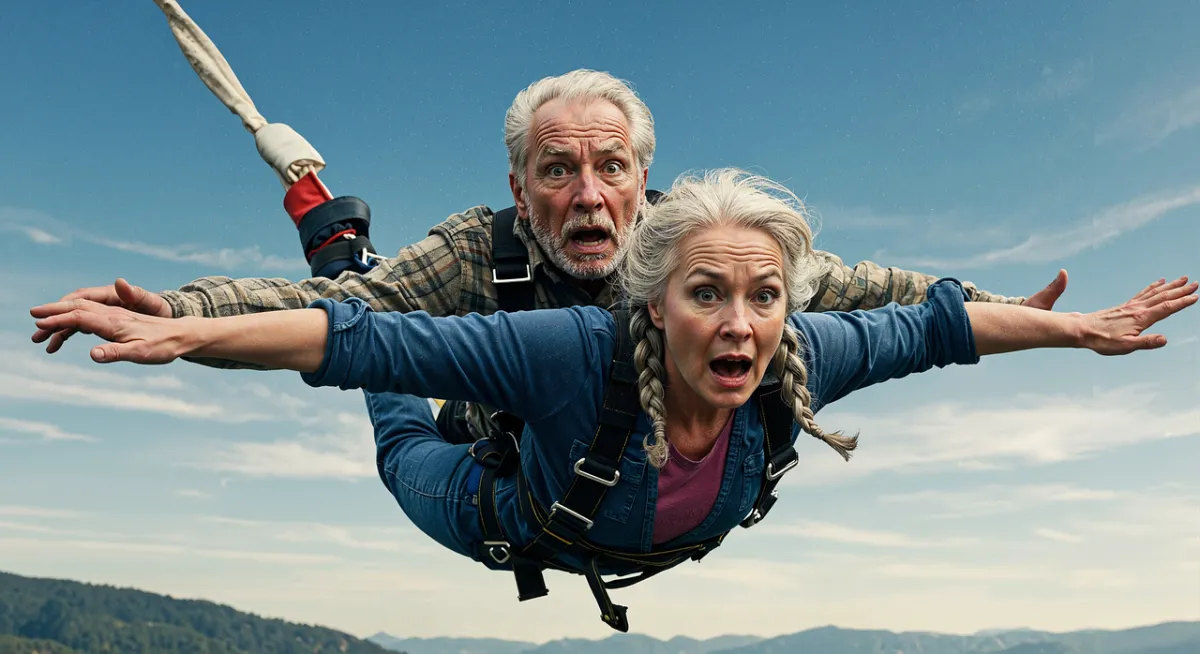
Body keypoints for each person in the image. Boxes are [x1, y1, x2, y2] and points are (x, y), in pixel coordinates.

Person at [29, 168, 1195, 633]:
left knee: (411, 364)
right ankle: (342, 243)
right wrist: (188, 333)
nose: (739, 324)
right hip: (499, 514)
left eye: (763, 297)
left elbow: (936, 325)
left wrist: (1074, 328)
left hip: (618, 520)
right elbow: (351, 337)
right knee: (396, 404)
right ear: (653, 303)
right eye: (706, 295)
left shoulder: (800, 356)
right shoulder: (571, 351)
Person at [28, 69, 1068, 442]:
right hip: (492, 448)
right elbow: (345, 325)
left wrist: (999, 309)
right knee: (366, 323)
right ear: (521, 189)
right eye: (557, 171)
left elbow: (875, 290)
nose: (588, 195)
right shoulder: (479, 251)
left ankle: (338, 242)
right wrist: (184, 311)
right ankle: (335, 239)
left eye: (610, 168)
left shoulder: (704, 260)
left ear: (645, 179)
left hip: (632, 464)